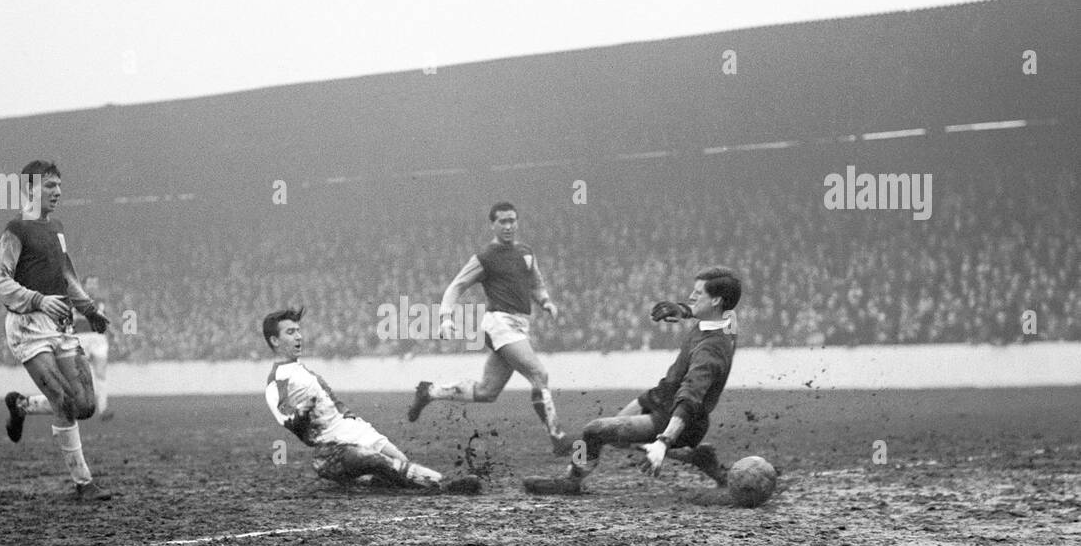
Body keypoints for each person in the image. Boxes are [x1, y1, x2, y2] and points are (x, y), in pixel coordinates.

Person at [523, 267, 742, 494]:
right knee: (614, 437)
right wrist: (685, 311)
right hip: (658, 397)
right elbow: (718, 314)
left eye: (698, 294)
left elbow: (690, 398)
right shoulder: (728, 321)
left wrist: (664, 441)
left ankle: (571, 479)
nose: (690, 297)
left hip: (675, 417)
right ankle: (695, 456)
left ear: (716, 300)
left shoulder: (711, 350)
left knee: (592, 431)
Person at [406, 201, 572, 454]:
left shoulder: (526, 253)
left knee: (487, 392)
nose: (508, 226)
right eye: (502, 222)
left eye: (512, 221)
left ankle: (430, 391)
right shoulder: (485, 257)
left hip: (518, 325)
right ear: (492, 225)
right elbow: (456, 286)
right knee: (539, 375)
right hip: (500, 324)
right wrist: (446, 318)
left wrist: (546, 301)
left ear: (517, 222)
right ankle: (558, 437)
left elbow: (536, 284)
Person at [0, 160, 112, 501]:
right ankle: (83, 484)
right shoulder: (15, 230)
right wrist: (38, 300)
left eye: (59, 185)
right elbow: (0, 282)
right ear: (29, 189)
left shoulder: (56, 228)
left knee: (85, 405)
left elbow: (67, 276)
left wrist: (89, 310)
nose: (57, 191)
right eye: (49, 186)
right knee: (62, 399)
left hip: (60, 324)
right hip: (28, 326)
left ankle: (22, 407)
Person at [264, 307, 480, 493]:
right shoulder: (276, 382)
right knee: (378, 461)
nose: (299, 337)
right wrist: (302, 411)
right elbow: (288, 419)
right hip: (330, 450)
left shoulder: (300, 370)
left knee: (399, 462)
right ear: (274, 340)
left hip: (356, 431)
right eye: (291, 332)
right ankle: (444, 485)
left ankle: (369, 482)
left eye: (298, 331)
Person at [73, 275, 113, 421]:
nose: (93, 286)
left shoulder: (102, 302)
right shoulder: (75, 300)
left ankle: (103, 409)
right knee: (80, 375)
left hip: (98, 339)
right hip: (81, 338)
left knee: (101, 374)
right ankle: (80, 407)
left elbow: (107, 320)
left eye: (95, 283)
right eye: (90, 283)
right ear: (84, 285)